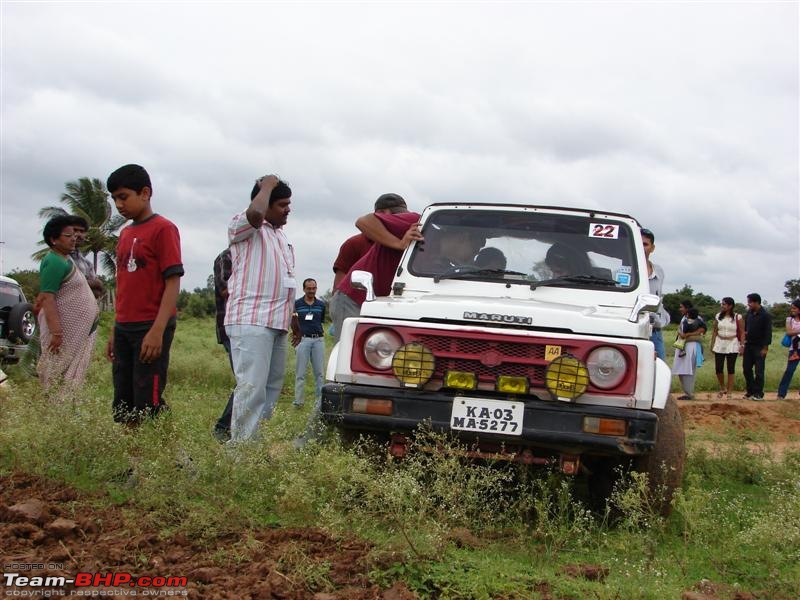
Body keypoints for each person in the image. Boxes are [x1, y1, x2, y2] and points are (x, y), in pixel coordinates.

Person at [105, 164, 184, 425]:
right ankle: (135, 463)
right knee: (124, 403)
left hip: (150, 327)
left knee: (147, 402)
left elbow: (172, 282)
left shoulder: (164, 229)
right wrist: (115, 330)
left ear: (145, 193)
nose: (119, 204)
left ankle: (162, 461)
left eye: (123, 197)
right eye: (115, 198)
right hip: (124, 326)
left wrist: (157, 330)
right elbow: (124, 285)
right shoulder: (126, 233)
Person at [225, 174, 294, 442]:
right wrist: (267, 185)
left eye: (289, 204)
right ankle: (239, 451)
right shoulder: (244, 225)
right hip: (251, 320)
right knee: (252, 388)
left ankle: (253, 445)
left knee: (271, 388)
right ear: (265, 203)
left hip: (277, 322)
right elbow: (255, 214)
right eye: (282, 204)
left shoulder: (282, 237)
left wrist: (293, 316)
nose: (288, 209)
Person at [331, 194, 422, 342]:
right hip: (353, 300)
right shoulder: (413, 220)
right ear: (383, 215)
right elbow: (363, 221)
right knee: (347, 354)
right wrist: (399, 244)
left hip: (378, 304)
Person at [34, 215, 100, 395]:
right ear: (54, 239)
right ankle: (54, 414)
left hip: (78, 331)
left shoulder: (65, 260)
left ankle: (63, 412)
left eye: (75, 235)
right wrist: (56, 332)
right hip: (61, 333)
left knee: (65, 378)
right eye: (68, 235)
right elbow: (48, 298)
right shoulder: (54, 261)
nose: (74, 238)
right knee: (55, 374)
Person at [211, 248, 234, 442]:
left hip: (248, 326)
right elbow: (225, 289)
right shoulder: (226, 257)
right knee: (246, 381)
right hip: (231, 327)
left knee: (251, 380)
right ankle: (223, 427)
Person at [292, 278, 325, 408]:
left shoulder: (321, 305)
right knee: (300, 373)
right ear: (304, 289)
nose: (311, 291)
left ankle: (320, 402)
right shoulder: (297, 304)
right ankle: (298, 402)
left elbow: (321, 320)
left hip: (318, 340)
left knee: (320, 373)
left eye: (314, 288)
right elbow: (293, 321)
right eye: (309, 288)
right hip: (303, 340)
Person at [641, 228, 670, 360]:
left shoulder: (659, 271)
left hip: (655, 330)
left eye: (645, 244)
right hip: (636, 329)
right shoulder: (623, 272)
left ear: (652, 248)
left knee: (660, 371)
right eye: (639, 243)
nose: (642, 247)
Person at [710, 297, 744, 400]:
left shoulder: (738, 317)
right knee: (718, 368)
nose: (722, 306)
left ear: (730, 306)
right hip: (720, 342)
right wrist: (712, 344)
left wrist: (742, 345)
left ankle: (729, 391)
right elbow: (715, 331)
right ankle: (722, 387)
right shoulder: (718, 316)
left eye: (724, 304)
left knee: (730, 368)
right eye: (722, 304)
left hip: (732, 343)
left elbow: (742, 332)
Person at [671, 299, 706, 400]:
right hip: (683, 345)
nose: (680, 309)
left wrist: (688, 334)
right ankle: (687, 392)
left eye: (682, 307)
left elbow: (702, 329)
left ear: (687, 308)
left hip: (691, 345)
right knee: (682, 369)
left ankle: (689, 393)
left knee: (689, 370)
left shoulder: (696, 318)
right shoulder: (684, 318)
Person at [66, 215, 105, 299]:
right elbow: (65, 287)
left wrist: (92, 284)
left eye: (82, 231)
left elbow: (97, 292)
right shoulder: (59, 258)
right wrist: (93, 283)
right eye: (75, 230)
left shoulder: (87, 263)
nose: (79, 234)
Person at [742, 292, 771, 401]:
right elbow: (745, 329)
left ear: (756, 302)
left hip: (759, 346)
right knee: (746, 369)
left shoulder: (766, 315)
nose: (748, 304)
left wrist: (765, 348)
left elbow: (768, 332)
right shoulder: (749, 313)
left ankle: (758, 393)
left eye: (750, 302)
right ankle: (750, 391)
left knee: (759, 370)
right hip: (748, 345)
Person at [777, 299, 800, 399]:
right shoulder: (789, 319)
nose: (792, 310)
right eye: (792, 308)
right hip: (794, 349)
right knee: (789, 371)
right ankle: (781, 394)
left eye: (794, 308)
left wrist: (795, 331)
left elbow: (792, 332)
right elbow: (789, 332)